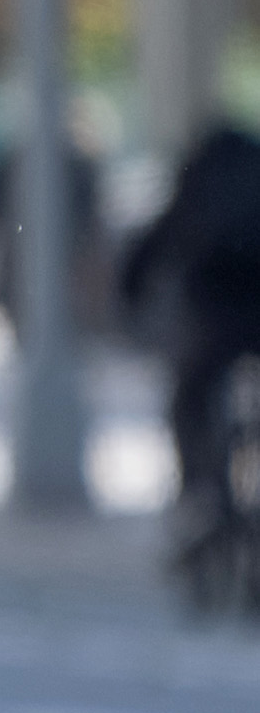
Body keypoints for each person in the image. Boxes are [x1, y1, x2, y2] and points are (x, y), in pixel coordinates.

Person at [118, 119, 260, 546]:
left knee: (189, 400)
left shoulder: (200, 183)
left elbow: (152, 249)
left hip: (214, 322)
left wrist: (130, 298)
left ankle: (201, 493)